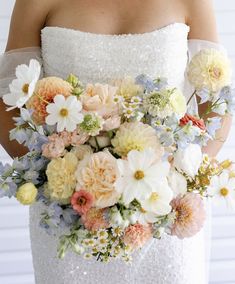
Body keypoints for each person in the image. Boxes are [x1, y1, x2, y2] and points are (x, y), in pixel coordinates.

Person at [0, 0, 232, 283]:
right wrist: (58, 180)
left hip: (162, 214)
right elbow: (7, 101)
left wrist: (178, 178)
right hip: (72, 217)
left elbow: (217, 104)